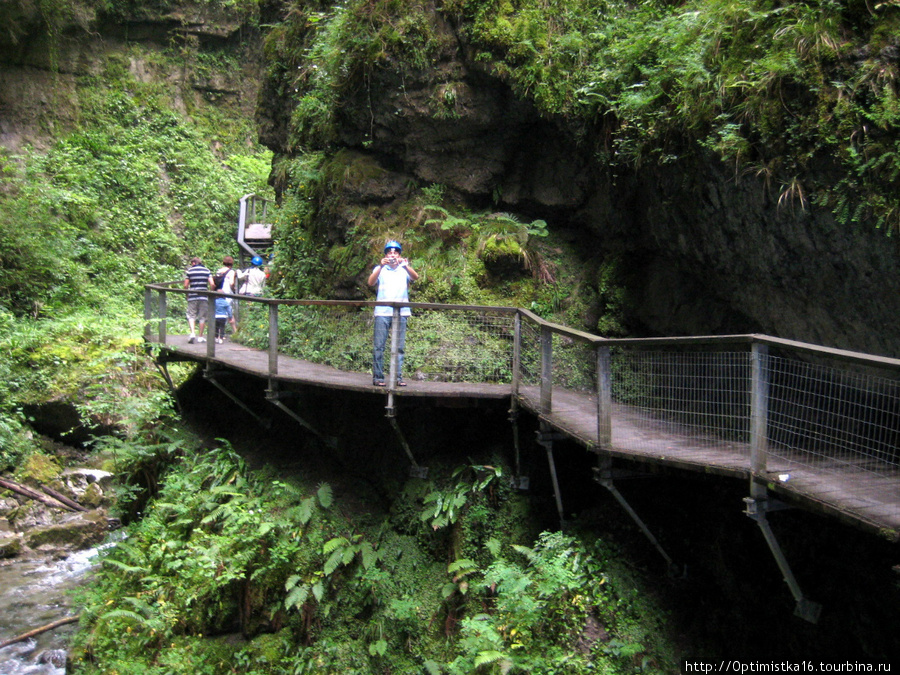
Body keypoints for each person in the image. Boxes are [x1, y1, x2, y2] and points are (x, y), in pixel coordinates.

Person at [367, 240, 419, 386]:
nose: (392, 255)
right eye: (390, 252)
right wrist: (381, 265)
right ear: (385, 255)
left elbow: (416, 277)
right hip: (382, 312)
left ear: (399, 255)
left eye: (395, 252)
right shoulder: (380, 269)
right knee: (379, 346)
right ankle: (378, 377)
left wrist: (406, 265)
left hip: (401, 312)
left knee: (399, 347)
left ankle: (397, 377)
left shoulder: (404, 269)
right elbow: (370, 282)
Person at [209, 255, 238, 343]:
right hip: (227, 294)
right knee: (228, 312)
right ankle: (229, 333)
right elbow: (232, 283)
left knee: (220, 312)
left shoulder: (219, 271)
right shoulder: (231, 272)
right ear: (231, 263)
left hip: (219, 293)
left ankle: (219, 334)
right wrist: (234, 289)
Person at [183, 256, 211, 344]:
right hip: (203, 296)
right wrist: (210, 292)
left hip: (192, 296)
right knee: (202, 317)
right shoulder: (206, 270)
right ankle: (200, 336)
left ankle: (192, 333)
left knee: (191, 315)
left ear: (194, 263)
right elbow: (212, 284)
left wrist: (187, 294)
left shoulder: (190, 271)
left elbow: (185, 285)